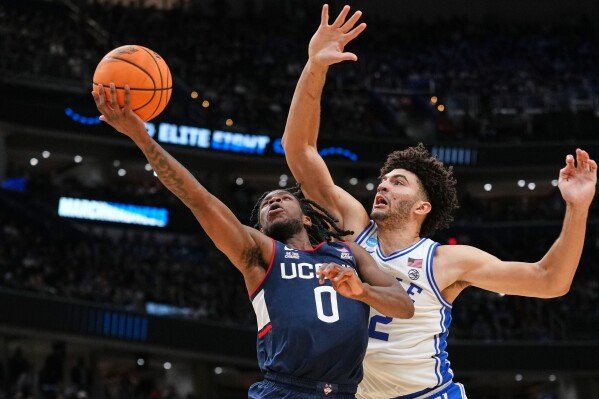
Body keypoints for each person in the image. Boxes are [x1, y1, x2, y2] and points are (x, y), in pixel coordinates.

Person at [281, 5, 598, 399]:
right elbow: (300, 151)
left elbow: (551, 281)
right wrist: (315, 66)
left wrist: (578, 207)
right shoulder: (354, 227)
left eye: (397, 182)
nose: (382, 186)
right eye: (382, 180)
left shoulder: (446, 261)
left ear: (422, 206)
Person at [92, 84, 414, 399]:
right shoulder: (261, 255)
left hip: (344, 393)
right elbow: (199, 200)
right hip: (285, 390)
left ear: (305, 217)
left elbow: (404, 306)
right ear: (260, 226)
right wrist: (142, 138)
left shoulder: (348, 252)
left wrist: (362, 291)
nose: (272, 202)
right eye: (265, 205)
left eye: (282, 198)